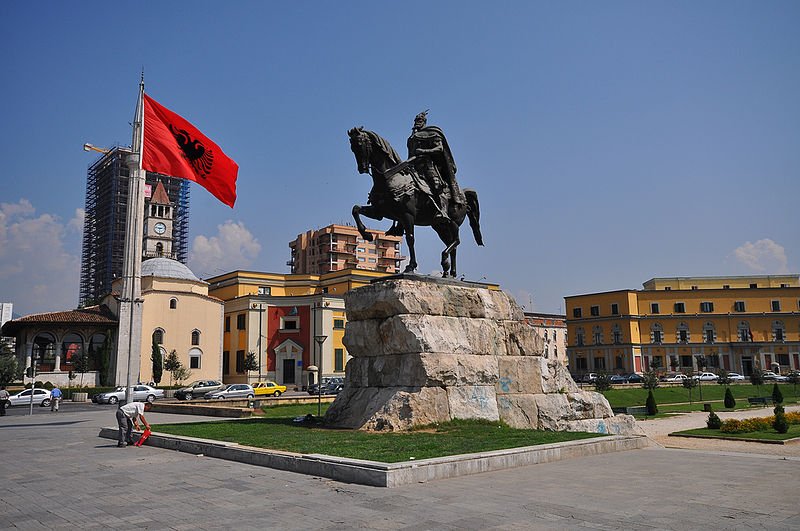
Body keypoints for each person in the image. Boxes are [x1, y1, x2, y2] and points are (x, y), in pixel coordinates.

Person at [406, 110, 465, 223]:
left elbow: (439, 148)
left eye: (419, 120)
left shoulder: (432, 133)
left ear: (424, 121)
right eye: (416, 120)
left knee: (436, 185)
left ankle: (443, 210)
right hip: (414, 166)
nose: (417, 122)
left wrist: (423, 150)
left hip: (428, 165)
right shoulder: (412, 138)